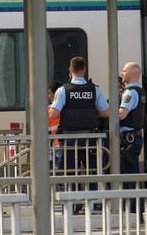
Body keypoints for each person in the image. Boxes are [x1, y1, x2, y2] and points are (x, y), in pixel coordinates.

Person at [49, 56, 109, 212]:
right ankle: (93, 204)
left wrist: (51, 107)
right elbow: (105, 112)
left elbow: (54, 114)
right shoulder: (95, 89)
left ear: (70, 70)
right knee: (92, 170)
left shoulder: (63, 90)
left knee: (70, 172)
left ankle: (73, 204)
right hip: (90, 138)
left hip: (69, 139)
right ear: (84, 69)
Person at [119, 62, 146, 214]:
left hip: (128, 140)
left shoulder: (129, 93)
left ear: (132, 73)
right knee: (133, 172)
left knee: (129, 174)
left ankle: (133, 210)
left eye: (124, 70)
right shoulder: (140, 91)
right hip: (135, 137)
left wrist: (107, 113)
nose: (122, 73)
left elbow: (122, 114)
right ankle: (137, 208)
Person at [48, 81, 63, 170]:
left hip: (56, 146)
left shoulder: (49, 109)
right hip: (67, 144)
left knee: (57, 174)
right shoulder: (67, 107)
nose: (48, 96)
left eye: (50, 93)